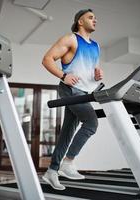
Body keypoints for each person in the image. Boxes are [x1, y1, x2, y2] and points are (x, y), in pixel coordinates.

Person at [41, 9, 103, 190]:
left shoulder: (96, 45)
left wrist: (98, 74)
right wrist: (63, 76)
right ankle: (68, 162)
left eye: (95, 17)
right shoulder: (70, 39)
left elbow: (93, 69)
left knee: (68, 131)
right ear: (80, 21)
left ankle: (51, 171)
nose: (95, 20)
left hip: (84, 92)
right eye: (91, 17)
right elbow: (47, 59)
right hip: (70, 90)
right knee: (91, 123)